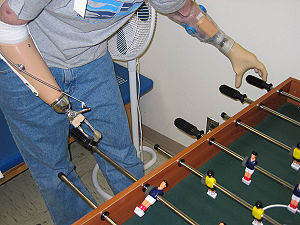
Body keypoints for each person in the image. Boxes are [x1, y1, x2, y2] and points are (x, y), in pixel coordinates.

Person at [0, 0, 267, 224]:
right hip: (22, 65)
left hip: (91, 61)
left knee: (122, 156)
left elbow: (185, 10)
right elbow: (6, 24)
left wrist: (229, 47)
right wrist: (56, 99)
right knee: (54, 174)